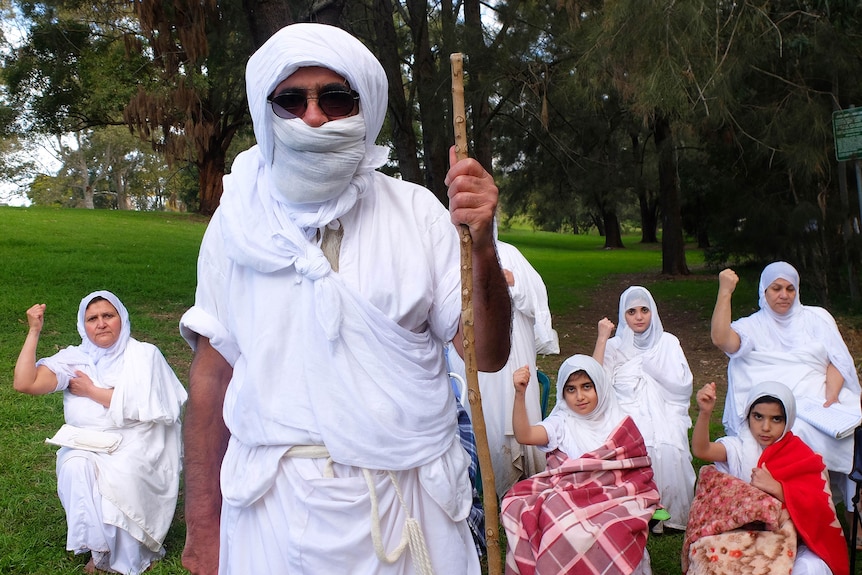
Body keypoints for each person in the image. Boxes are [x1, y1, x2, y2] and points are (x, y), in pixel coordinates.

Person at [178, 23, 511, 575]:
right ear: (268, 113)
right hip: (271, 512)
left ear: (365, 109)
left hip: (408, 510)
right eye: (292, 100)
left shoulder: (419, 213)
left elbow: (488, 355)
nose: (313, 116)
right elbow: (212, 377)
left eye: (335, 98)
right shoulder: (236, 225)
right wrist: (203, 526)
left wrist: (481, 249)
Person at [13, 291, 187, 575]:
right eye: (92, 318)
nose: (101, 323)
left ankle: (132, 552)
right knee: (74, 465)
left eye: (108, 316)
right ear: (84, 326)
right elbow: (24, 382)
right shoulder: (75, 358)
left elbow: (153, 406)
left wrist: (93, 391)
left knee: (124, 473)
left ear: (122, 318)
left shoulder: (144, 355)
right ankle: (100, 550)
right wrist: (34, 331)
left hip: (138, 441)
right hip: (88, 442)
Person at [710, 262, 861, 507]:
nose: (784, 295)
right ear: (764, 291)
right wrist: (725, 292)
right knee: (798, 431)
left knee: (856, 430)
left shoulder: (817, 318)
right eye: (776, 288)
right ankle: (805, 505)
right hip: (781, 407)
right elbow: (721, 339)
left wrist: (831, 396)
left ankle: (855, 510)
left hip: (821, 399)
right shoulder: (752, 326)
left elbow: (838, 361)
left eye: (790, 289)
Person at [503, 355, 660, 575]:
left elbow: (637, 471)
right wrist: (520, 395)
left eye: (587, 387)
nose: (580, 396)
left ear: (600, 386)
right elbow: (525, 435)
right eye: (571, 389)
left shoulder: (620, 422)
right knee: (562, 525)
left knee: (612, 529)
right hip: (569, 498)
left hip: (616, 498)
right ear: (563, 393)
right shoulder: (561, 421)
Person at [689, 380, 848, 575]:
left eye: (776, 419)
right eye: (758, 416)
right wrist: (705, 413)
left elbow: (819, 506)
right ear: (748, 416)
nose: (765, 427)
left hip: (791, 540)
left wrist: (778, 489)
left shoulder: (800, 454)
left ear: (788, 420)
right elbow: (701, 450)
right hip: (739, 538)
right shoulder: (737, 448)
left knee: (812, 568)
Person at [447, 236, 559, 498]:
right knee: (482, 408)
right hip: (472, 353)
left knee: (512, 401)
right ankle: (480, 481)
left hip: (512, 345)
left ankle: (520, 481)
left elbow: (536, 297)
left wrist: (513, 283)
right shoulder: (450, 255)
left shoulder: (510, 253)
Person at [592, 285, 695, 532]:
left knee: (669, 448)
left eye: (644, 310)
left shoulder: (668, 342)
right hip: (626, 406)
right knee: (640, 444)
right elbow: (596, 380)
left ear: (653, 312)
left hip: (666, 407)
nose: (639, 317)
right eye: (632, 312)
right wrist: (602, 338)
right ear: (623, 315)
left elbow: (683, 386)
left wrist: (653, 372)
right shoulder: (615, 346)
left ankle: (669, 512)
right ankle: (638, 511)